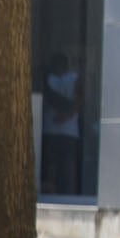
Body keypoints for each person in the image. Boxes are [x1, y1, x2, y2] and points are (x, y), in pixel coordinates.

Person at [40, 52, 81, 196]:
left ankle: (64, 193)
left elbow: (79, 99)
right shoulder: (70, 79)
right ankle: (58, 192)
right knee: (59, 166)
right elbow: (79, 100)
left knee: (60, 166)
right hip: (62, 131)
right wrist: (68, 114)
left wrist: (66, 114)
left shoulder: (53, 79)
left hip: (55, 130)